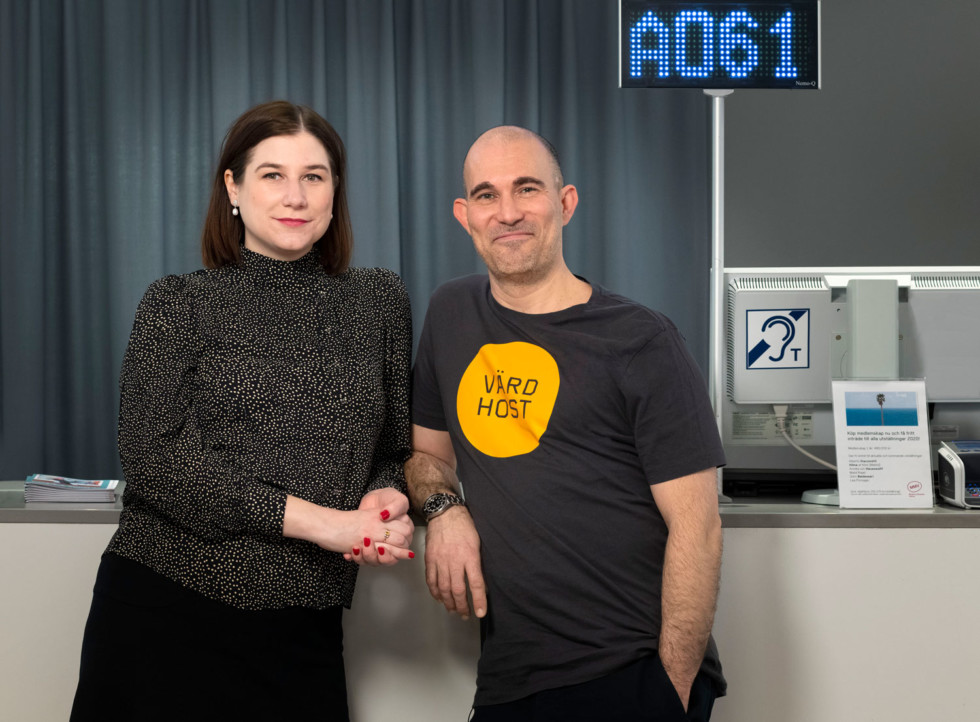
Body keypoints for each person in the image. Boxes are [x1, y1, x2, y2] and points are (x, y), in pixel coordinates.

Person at [71, 101, 414, 721]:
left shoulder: (378, 302)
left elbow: (391, 448)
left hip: (303, 628)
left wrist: (383, 499)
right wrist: (323, 525)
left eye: (314, 176)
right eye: (272, 174)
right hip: (165, 613)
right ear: (233, 186)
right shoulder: (178, 302)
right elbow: (152, 459)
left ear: (336, 192)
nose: (296, 195)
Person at [405, 126, 726, 721]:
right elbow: (428, 457)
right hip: (510, 677)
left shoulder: (641, 340)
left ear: (566, 202)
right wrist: (445, 514)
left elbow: (698, 527)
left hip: (628, 669)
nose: (507, 212)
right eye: (486, 195)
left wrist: (669, 692)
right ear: (464, 215)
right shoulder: (451, 313)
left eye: (527, 189)